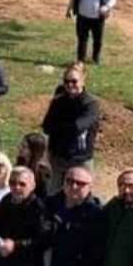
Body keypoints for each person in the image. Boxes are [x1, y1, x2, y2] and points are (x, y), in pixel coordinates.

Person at [40, 63, 101, 193]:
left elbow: (78, 127)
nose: (70, 85)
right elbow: (46, 126)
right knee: (53, 194)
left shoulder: (91, 104)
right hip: (58, 158)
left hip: (80, 158)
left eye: (74, 81)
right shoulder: (58, 102)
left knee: (81, 195)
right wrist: (63, 128)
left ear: (83, 80)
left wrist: (59, 127)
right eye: (66, 81)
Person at [67, 0, 116, 64]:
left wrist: (106, 7)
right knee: (82, 39)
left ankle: (95, 59)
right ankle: (81, 60)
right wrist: (69, 9)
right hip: (82, 17)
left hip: (97, 18)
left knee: (98, 40)